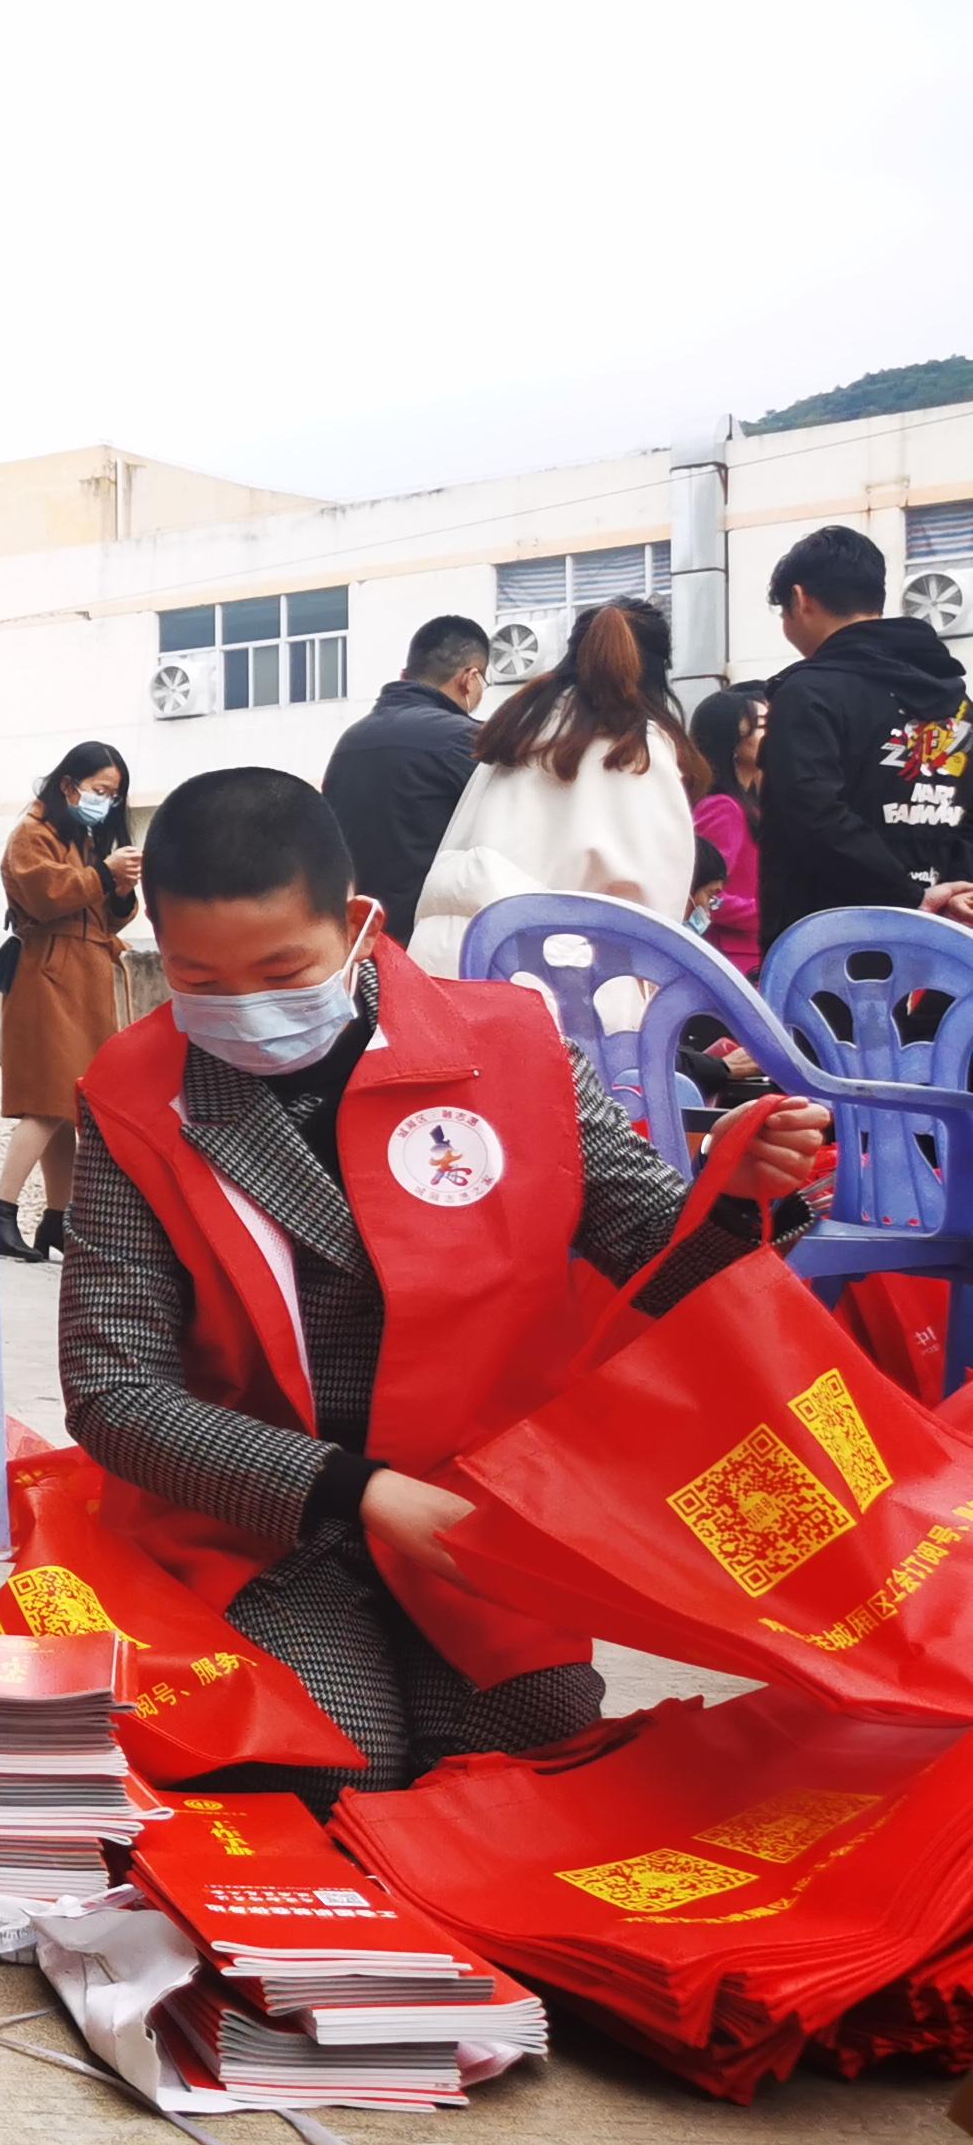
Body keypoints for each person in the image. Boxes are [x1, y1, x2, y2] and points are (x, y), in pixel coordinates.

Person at [57, 768, 830, 1797]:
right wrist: (359, 1492)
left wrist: (738, 1196)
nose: (245, 1009)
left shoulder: (511, 1049)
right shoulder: (133, 1097)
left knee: (528, 1765)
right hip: (266, 1523)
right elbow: (116, 1394)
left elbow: (653, 1253)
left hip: (478, 1523)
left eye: (284, 969)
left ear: (356, 920)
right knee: (324, 1767)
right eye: (201, 982)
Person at [407, 598, 698, 973]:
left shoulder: (516, 727)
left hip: (455, 964)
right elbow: (655, 915)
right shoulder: (638, 750)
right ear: (658, 672)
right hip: (564, 987)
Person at [755, 523, 973, 947]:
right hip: (942, 945)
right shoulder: (957, 701)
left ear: (799, 600)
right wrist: (954, 890)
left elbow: (812, 813)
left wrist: (911, 896)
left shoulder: (808, 693)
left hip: (828, 947)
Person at [0, 741, 139, 1261]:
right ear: (68, 784)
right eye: (100, 790)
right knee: (47, 1098)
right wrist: (105, 875)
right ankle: (0, 1210)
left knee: (67, 1100)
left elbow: (105, 916)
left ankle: (58, 1219)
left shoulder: (81, 837)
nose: (105, 801)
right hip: (50, 972)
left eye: (113, 794)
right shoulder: (33, 834)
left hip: (80, 971)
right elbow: (45, 896)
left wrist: (119, 890)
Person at [321, 614, 489, 931]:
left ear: (405, 674)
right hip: (429, 940)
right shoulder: (466, 739)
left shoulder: (352, 738)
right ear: (469, 678)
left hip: (359, 936)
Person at [686, 680, 768, 972]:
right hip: (732, 957)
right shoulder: (723, 808)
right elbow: (705, 891)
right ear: (732, 740)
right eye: (761, 726)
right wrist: (770, 911)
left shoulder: (750, 802)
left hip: (750, 953)